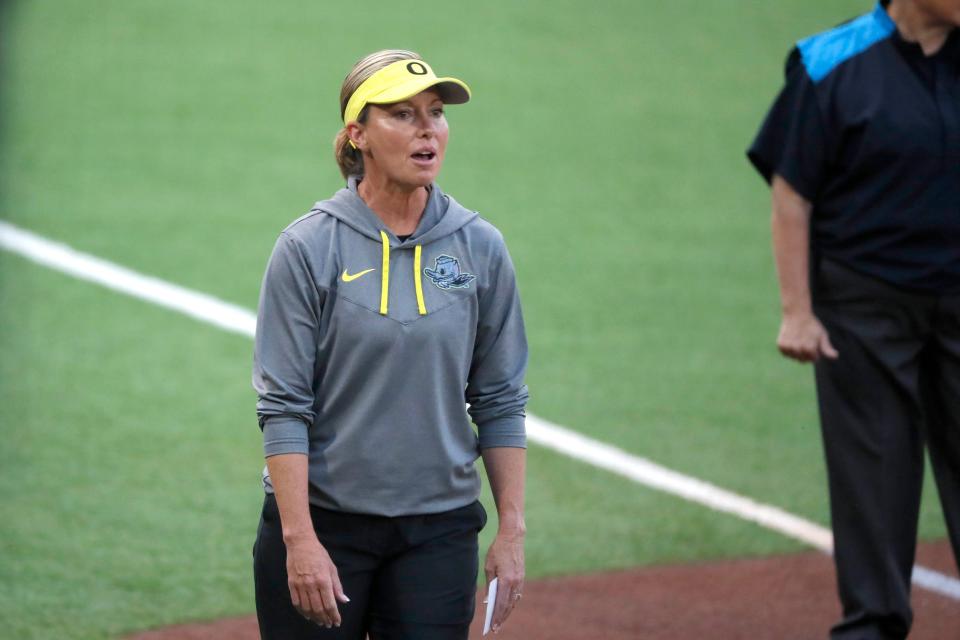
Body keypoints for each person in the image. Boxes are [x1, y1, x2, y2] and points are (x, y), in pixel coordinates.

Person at [251, 49, 529, 640]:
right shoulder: (307, 249)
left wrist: (511, 532)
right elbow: (283, 407)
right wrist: (299, 543)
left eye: (435, 113)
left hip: (439, 528)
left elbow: (501, 398)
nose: (427, 128)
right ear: (359, 135)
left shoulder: (480, 247)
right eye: (402, 115)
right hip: (325, 523)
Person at [747, 1, 960, 638]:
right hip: (864, 304)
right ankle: (873, 625)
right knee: (876, 473)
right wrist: (798, 312)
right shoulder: (829, 61)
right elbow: (792, 192)